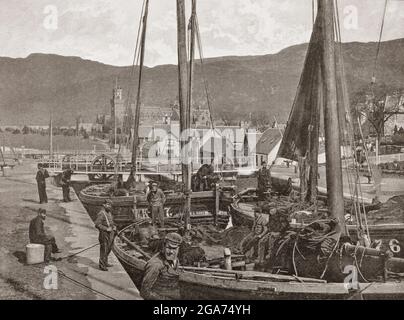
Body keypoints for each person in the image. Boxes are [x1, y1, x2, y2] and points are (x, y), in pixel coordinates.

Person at [140, 232, 182, 300]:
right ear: (164, 246)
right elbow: (144, 292)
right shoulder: (155, 264)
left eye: (174, 249)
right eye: (168, 247)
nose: (171, 252)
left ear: (178, 249)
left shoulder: (175, 260)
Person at [94, 199, 117, 271]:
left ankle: (105, 262)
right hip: (104, 234)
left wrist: (114, 226)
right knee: (104, 249)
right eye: (108, 204)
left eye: (110, 205)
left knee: (109, 248)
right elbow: (97, 224)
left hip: (110, 233)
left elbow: (111, 222)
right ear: (104, 205)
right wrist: (106, 229)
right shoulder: (101, 213)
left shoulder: (109, 212)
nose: (109, 206)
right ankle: (102, 265)